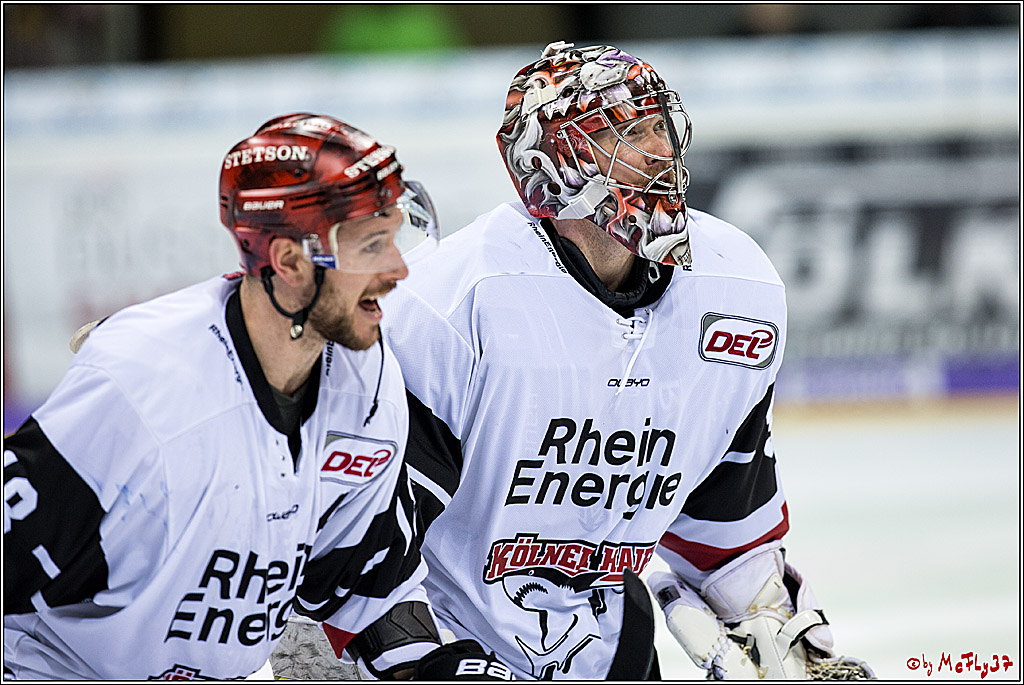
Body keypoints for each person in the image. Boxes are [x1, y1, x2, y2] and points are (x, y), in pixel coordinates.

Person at [379, 42, 875, 679]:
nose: (661, 152)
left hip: (608, 647)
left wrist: (767, 620)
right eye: (628, 132)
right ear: (553, 163)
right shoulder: (454, 301)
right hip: (449, 641)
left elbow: (724, 518)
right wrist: (413, 660)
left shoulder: (735, 285)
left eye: (660, 127)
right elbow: (365, 548)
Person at [2, 113, 486, 680]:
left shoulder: (367, 380)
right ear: (287, 261)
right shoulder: (143, 391)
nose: (400, 269)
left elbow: (361, 576)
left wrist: (425, 667)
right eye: (372, 245)